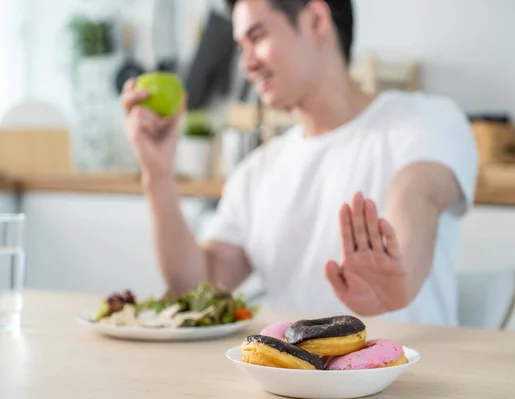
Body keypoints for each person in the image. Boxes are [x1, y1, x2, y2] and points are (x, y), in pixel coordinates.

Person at [120, 0, 478, 325]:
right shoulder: (257, 171)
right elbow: (198, 285)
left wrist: (398, 275)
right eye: (240, 48)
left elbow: (416, 197)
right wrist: (158, 174)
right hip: (292, 383)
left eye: (257, 37)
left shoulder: (423, 120)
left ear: (317, 20)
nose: (246, 64)